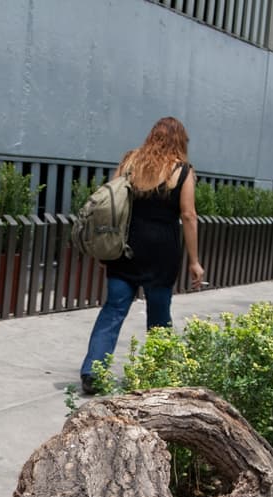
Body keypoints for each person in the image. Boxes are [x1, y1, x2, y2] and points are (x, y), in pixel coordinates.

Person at [79, 116, 204, 395]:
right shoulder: (182, 171)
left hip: (126, 249)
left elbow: (111, 205)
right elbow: (188, 215)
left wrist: (105, 248)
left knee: (113, 310)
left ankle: (92, 370)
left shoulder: (129, 162)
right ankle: (158, 375)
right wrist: (194, 262)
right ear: (180, 141)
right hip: (163, 253)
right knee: (159, 314)